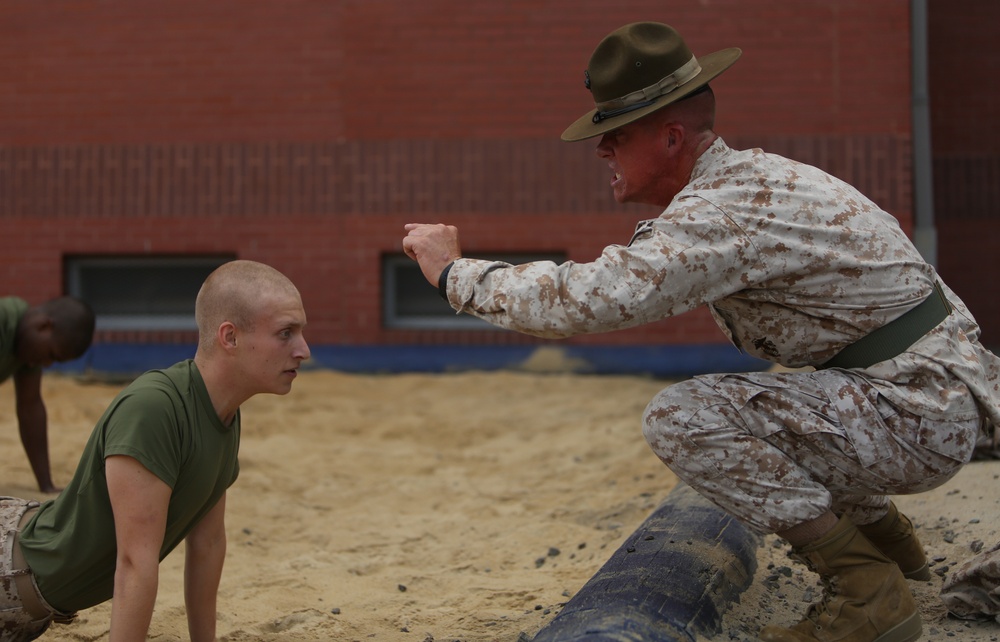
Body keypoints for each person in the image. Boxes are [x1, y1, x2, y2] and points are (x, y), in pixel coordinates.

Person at [402, 21, 1000, 642]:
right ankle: (893, 551)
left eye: (616, 135)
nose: (602, 150)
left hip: (917, 415)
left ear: (670, 137)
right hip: (942, 395)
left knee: (684, 417)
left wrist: (453, 273)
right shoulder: (759, 178)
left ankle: (866, 592)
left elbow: (583, 301)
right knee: (777, 402)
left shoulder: (718, 214)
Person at [0, 260, 310, 642]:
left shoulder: (224, 414)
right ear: (229, 337)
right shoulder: (154, 408)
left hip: (29, 592)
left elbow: (208, 543)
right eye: (286, 333)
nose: (303, 350)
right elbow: (134, 564)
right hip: (9, 572)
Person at [0, 295, 95, 493]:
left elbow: (30, 407)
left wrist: (46, 484)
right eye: (51, 355)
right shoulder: (4, 320)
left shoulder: (25, 348)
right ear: (44, 326)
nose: (46, 364)